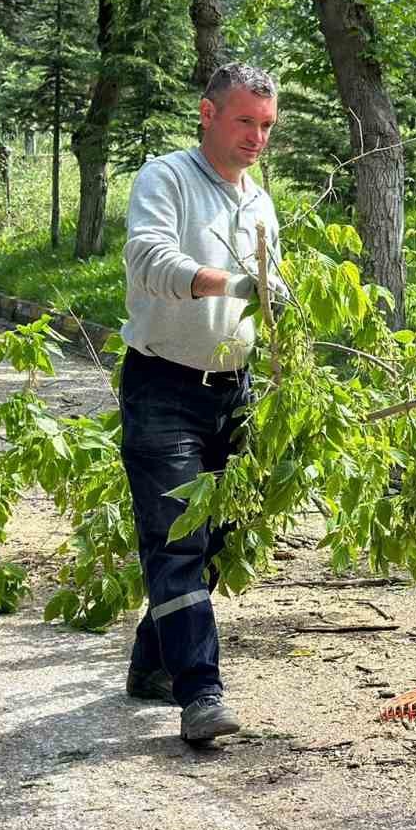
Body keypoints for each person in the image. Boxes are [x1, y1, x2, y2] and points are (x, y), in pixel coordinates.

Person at [119, 62, 285, 745]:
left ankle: (152, 665)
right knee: (177, 538)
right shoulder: (167, 179)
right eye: (244, 120)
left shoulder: (261, 203)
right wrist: (232, 285)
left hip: (236, 392)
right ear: (208, 113)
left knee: (220, 537)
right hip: (164, 385)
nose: (256, 137)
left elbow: (275, 294)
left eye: (267, 126)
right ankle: (201, 693)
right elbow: (147, 258)